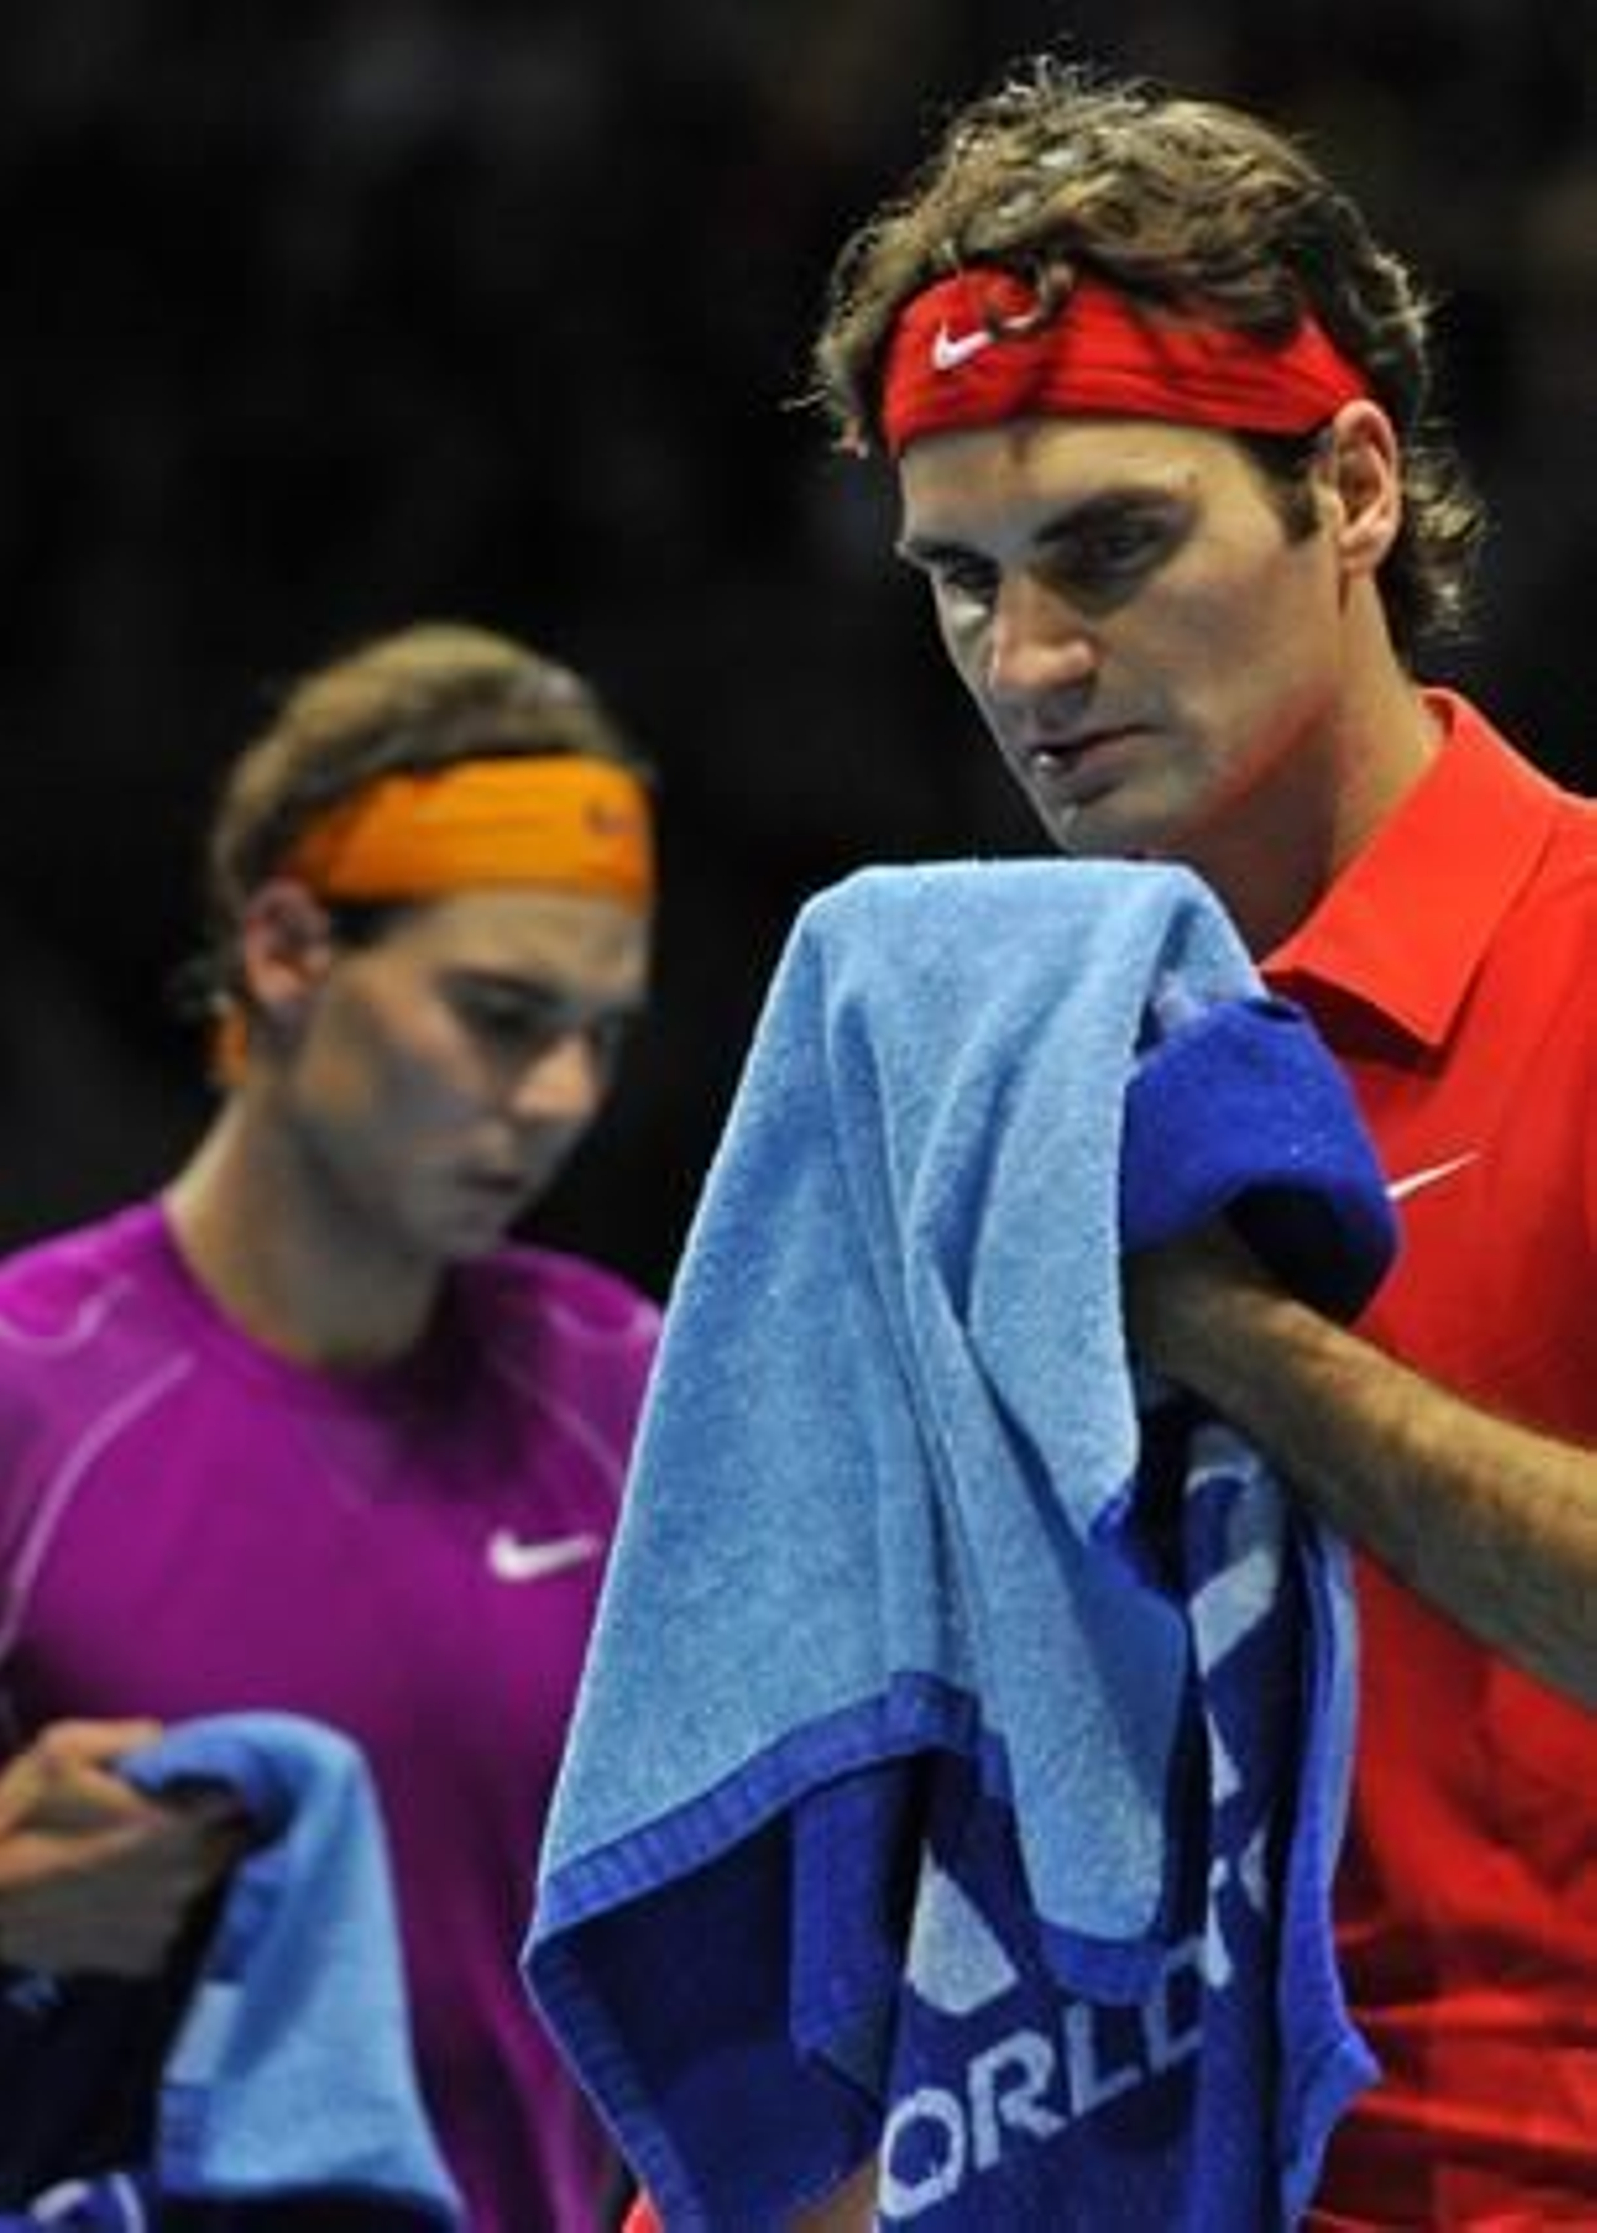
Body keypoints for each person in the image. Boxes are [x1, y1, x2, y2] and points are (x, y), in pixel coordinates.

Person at [779, 56, 1597, 2230]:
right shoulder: (960, 1063)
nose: (1028, 659)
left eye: (1109, 547)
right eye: (957, 583)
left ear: (1343, 490)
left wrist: (1241, 1347)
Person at [0, 622, 662, 2231]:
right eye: (502, 1016)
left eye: (602, 1035)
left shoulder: (626, 1389)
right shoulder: (25, 1392)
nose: (561, 1094)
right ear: (290, 951)